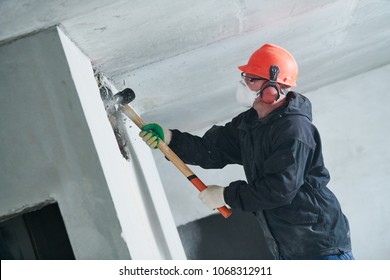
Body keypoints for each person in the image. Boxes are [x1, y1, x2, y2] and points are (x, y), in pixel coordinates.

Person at [139, 43, 354, 260]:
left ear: (273, 89)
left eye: (251, 79)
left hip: (319, 247)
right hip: (288, 249)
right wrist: (170, 138)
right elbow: (212, 151)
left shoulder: (294, 130)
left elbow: (280, 189)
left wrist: (226, 194)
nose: (244, 84)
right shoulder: (250, 123)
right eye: (245, 77)